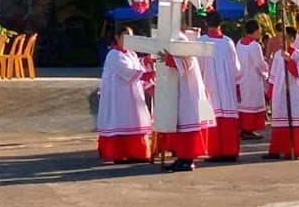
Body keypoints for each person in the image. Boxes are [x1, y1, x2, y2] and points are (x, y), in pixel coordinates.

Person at [153, 40, 215, 173]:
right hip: (183, 91)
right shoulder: (178, 43)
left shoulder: (185, 45)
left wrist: (168, 59)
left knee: (188, 128)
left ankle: (188, 160)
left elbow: (187, 63)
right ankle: (182, 158)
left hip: (190, 93)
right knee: (182, 129)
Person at [96, 25, 154, 164]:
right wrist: (151, 74)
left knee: (135, 121)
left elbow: (138, 67)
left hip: (131, 95)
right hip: (118, 96)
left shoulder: (131, 53)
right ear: (117, 37)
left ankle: (136, 153)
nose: (129, 40)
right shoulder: (114, 55)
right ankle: (119, 154)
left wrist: (147, 63)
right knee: (120, 122)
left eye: (131, 36)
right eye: (125, 36)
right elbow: (129, 72)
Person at [267, 27, 299, 159]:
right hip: (280, 91)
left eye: (285, 38)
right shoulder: (277, 54)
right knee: (281, 118)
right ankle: (278, 148)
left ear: (292, 39)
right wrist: (270, 92)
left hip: (295, 92)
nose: (282, 41)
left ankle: (296, 148)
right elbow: (273, 75)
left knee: (295, 118)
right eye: (280, 38)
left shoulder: (298, 54)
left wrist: (289, 61)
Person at [198, 19, 242, 161]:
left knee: (211, 117)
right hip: (227, 87)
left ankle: (215, 151)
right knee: (227, 118)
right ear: (220, 24)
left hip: (208, 84)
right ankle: (231, 151)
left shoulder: (201, 41)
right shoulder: (228, 42)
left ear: (206, 24)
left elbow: (198, 67)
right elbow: (237, 69)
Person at [235, 18, 269, 138]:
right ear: (255, 31)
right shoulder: (255, 45)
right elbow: (259, 64)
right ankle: (248, 129)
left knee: (243, 104)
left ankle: (243, 128)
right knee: (252, 105)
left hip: (241, 78)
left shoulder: (239, 42)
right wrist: (267, 70)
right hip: (252, 79)